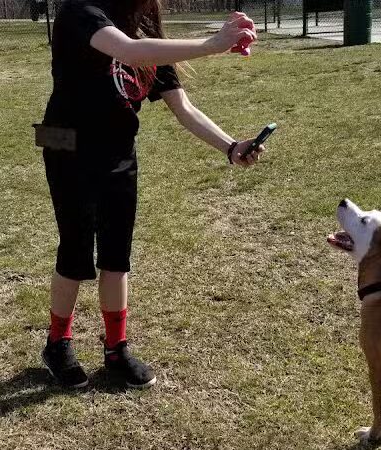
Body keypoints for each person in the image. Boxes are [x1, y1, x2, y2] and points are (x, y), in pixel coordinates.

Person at [38, 0, 266, 389]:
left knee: (116, 253)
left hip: (117, 150)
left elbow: (184, 107)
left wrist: (231, 146)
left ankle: (116, 349)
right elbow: (127, 51)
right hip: (64, 144)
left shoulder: (147, 33)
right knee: (75, 248)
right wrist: (213, 43)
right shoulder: (81, 11)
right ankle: (57, 343)